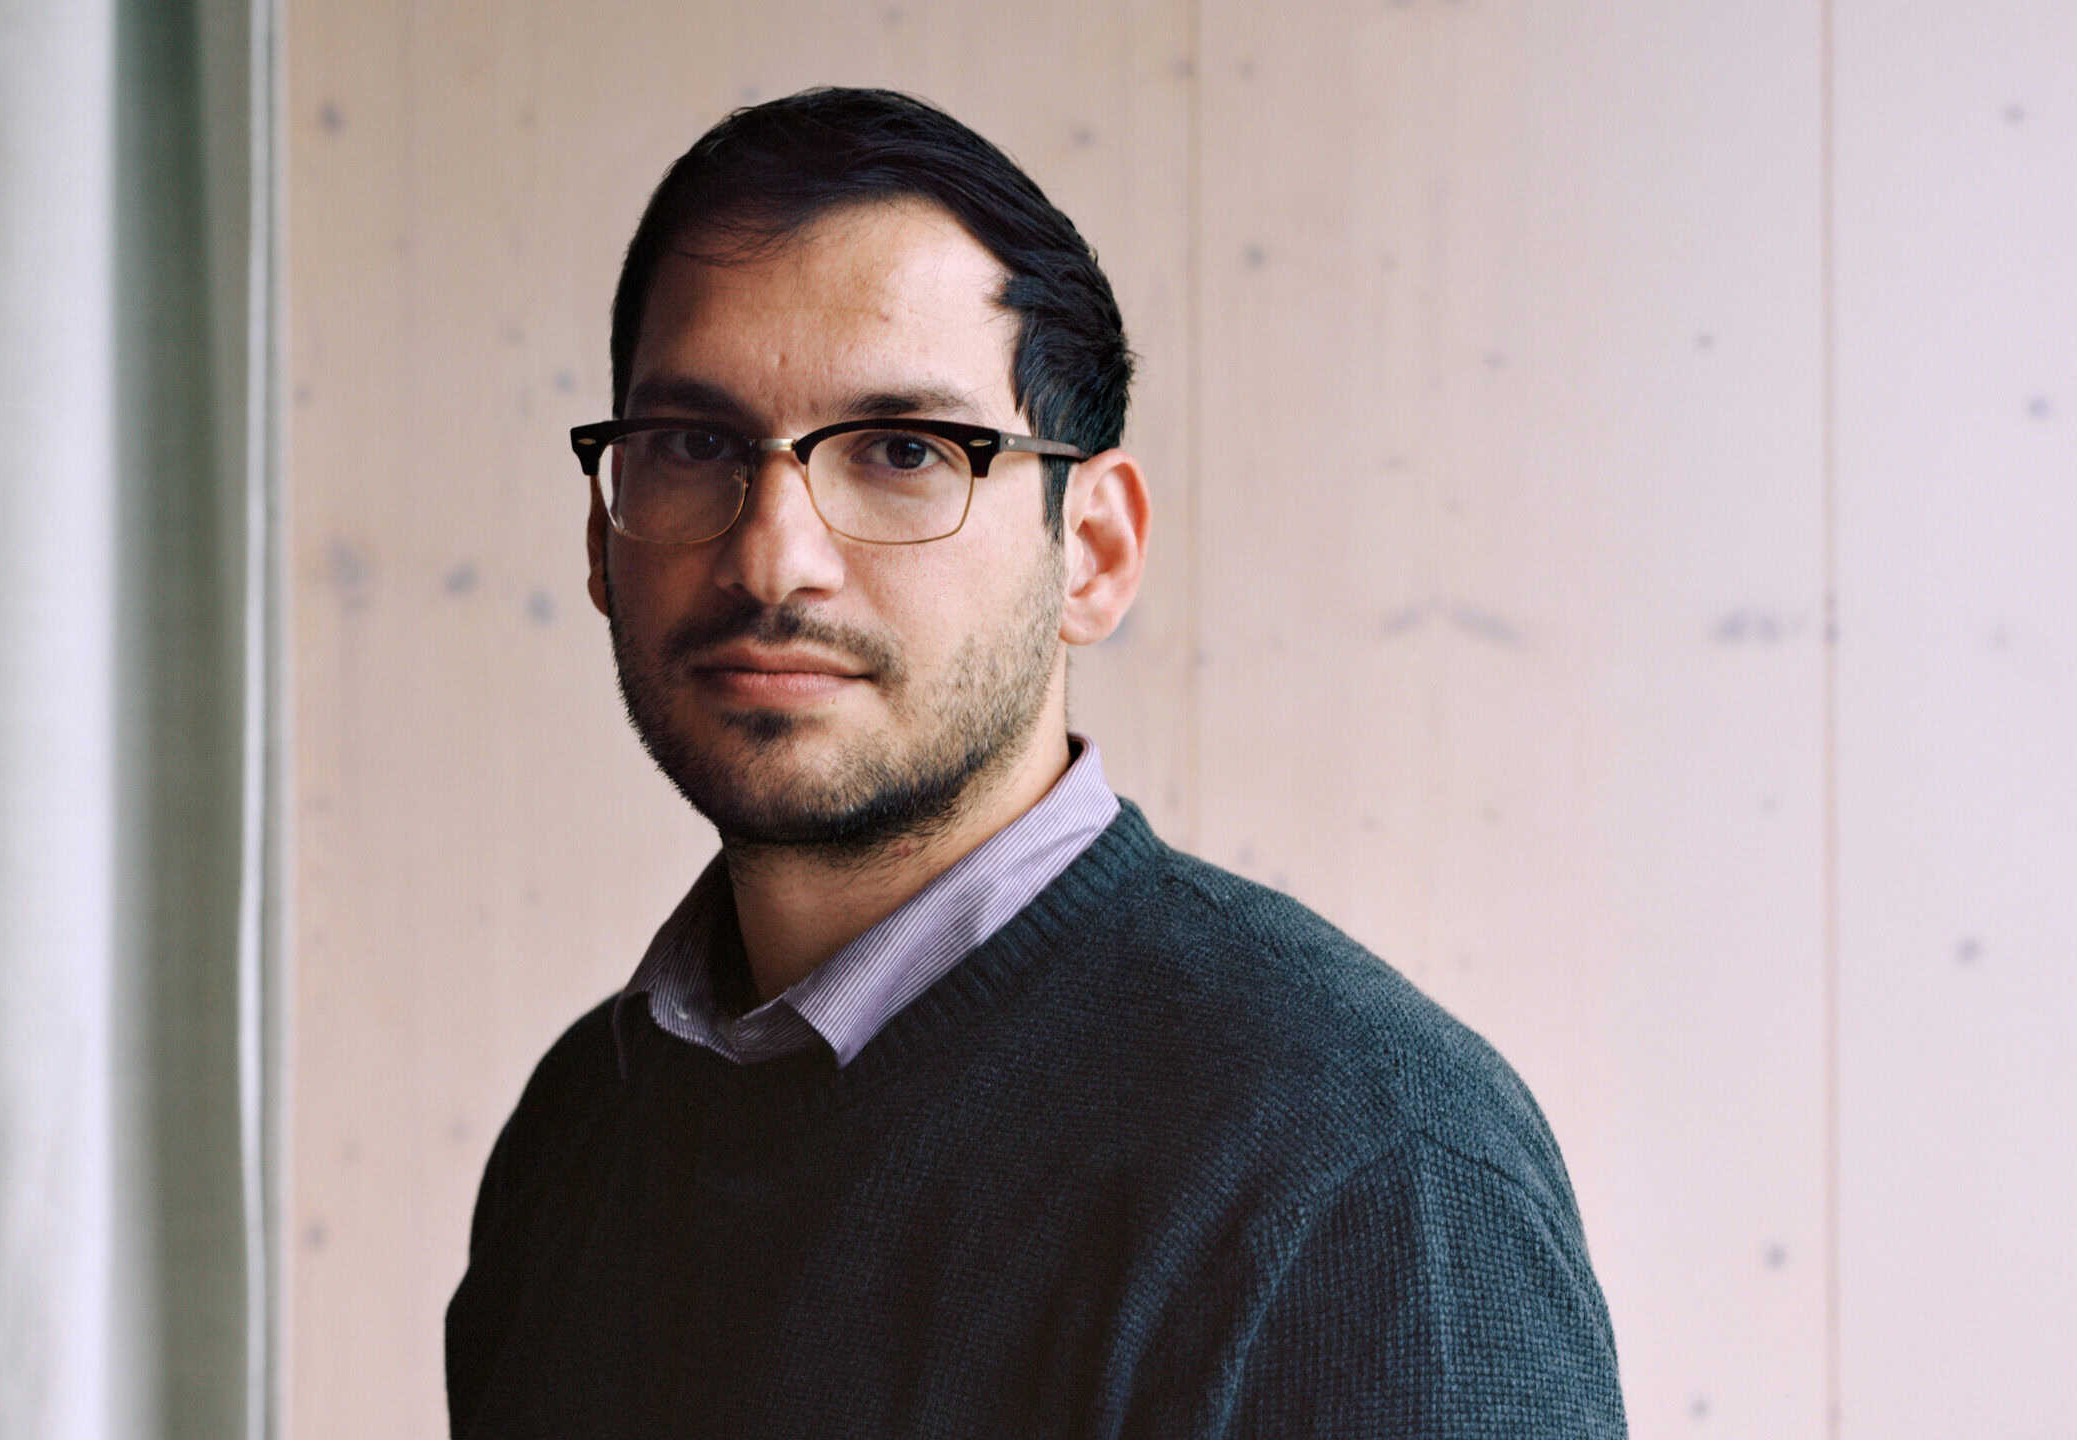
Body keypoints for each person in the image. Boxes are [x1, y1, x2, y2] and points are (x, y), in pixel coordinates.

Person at [446, 87, 1626, 1437]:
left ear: (1097, 550)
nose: (773, 555)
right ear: (601, 542)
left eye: (906, 451)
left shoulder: (1355, 1166)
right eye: (696, 446)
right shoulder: (581, 1138)